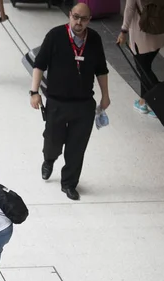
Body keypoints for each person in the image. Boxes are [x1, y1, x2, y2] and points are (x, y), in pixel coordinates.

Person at [30, 3, 111, 201]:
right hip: (57, 101)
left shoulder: (94, 40)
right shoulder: (55, 36)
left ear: (89, 20)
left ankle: (69, 184)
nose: (79, 22)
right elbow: (39, 64)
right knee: (53, 141)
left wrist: (105, 95)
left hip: (84, 103)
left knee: (77, 147)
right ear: (69, 15)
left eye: (83, 19)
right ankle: (49, 159)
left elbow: (101, 69)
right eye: (75, 17)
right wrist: (34, 91)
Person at [117, 0, 164, 117]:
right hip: (161, 27)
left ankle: (159, 103)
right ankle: (144, 101)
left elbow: (130, 8)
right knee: (145, 66)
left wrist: (123, 31)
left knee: (143, 68)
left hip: (142, 30)